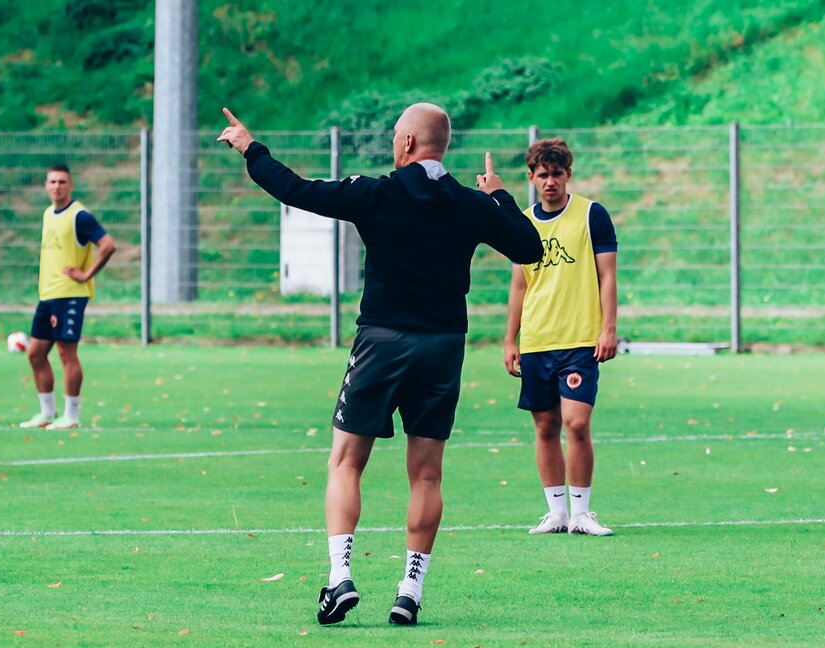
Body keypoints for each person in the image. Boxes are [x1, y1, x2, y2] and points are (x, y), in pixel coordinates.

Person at [218, 104, 543, 626]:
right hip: (443, 347)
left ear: (409, 142)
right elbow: (529, 247)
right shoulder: (469, 203)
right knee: (427, 473)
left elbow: (296, 190)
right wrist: (499, 196)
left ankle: (340, 577)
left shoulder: (377, 193)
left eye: (396, 135)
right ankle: (410, 591)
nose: (394, 143)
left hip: (383, 340)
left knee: (346, 461)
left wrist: (250, 148)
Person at [502, 138, 618, 536]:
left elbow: (607, 276)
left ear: (568, 174)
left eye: (556, 174)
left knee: (577, 423)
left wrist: (608, 329)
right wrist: (510, 339)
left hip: (580, 340)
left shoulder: (592, 215)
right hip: (537, 340)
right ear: (531, 178)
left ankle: (582, 513)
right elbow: (519, 285)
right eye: (542, 175)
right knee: (546, 427)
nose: (549, 181)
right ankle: (557, 514)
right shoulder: (523, 224)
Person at [19, 165, 116, 431]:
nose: (57, 186)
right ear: (46, 186)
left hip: (71, 294)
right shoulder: (48, 213)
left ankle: (71, 415)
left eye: (62, 182)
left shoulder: (80, 216)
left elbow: (108, 245)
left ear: (71, 185)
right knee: (35, 353)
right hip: (47, 294)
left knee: (66, 353)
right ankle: (47, 412)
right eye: (52, 182)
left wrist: (87, 274)